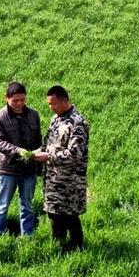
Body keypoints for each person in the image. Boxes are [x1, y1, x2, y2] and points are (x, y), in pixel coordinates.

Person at [34, 85, 90, 251]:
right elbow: (48, 143)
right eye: (49, 104)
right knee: (53, 213)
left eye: (54, 104)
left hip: (70, 180)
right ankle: (58, 243)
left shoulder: (78, 123)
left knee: (69, 215)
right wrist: (37, 152)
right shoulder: (56, 119)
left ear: (65, 100)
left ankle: (77, 246)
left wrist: (48, 157)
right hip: (53, 177)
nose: (51, 107)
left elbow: (75, 153)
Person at [0, 81, 42, 237]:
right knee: (2, 205)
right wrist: (19, 151)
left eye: (22, 100)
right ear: (6, 98)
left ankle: (28, 236)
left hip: (29, 170)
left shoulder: (33, 115)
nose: (19, 104)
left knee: (27, 206)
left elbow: (38, 140)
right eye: (15, 100)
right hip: (8, 169)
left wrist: (38, 158)